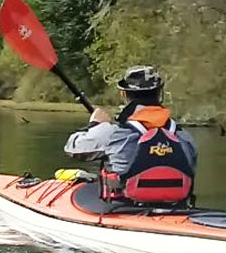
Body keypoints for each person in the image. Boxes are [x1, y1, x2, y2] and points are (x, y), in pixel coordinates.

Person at [64, 65, 197, 205]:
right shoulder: (183, 136)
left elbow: (72, 147)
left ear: (124, 94)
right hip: (177, 208)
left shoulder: (113, 132)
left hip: (124, 208)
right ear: (159, 93)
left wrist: (95, 125)